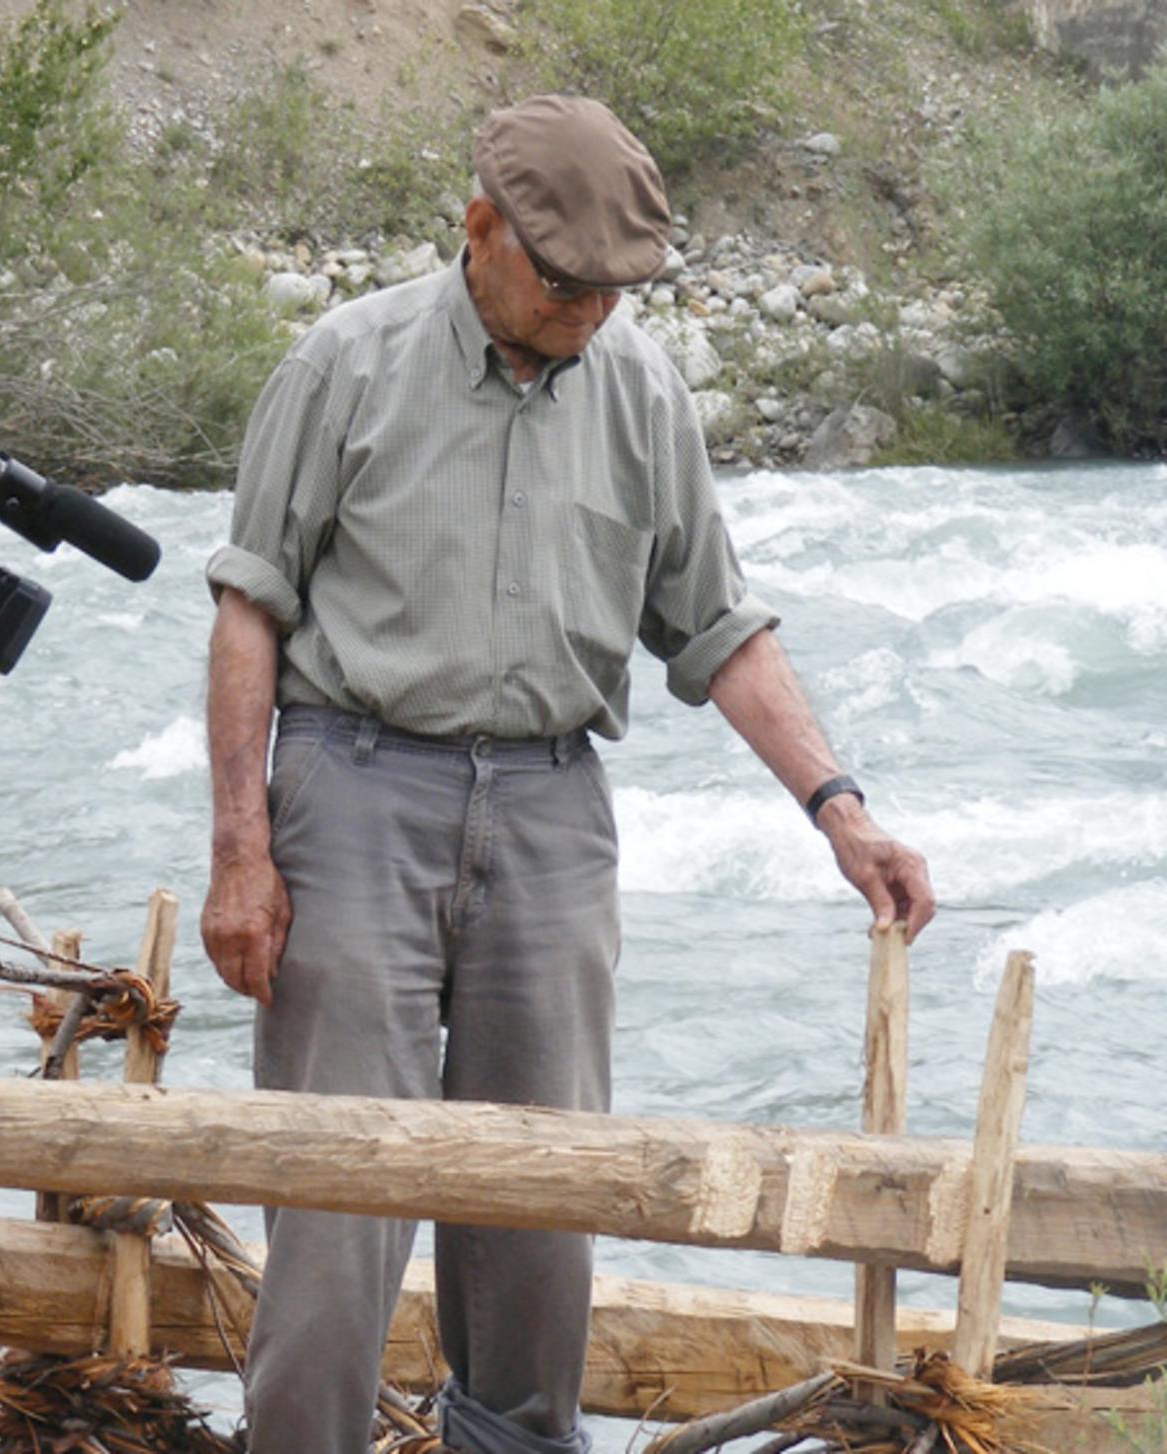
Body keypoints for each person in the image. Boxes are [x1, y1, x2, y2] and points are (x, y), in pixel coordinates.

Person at [200, 95, 935, 1454]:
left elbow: (720, 628)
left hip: (551, 804)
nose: (592, 310)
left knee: (546, 1191)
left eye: (615, 288)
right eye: (566, 282)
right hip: (355, 786)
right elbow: (248, 609)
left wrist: (841, 809)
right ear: (479, 230)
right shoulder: (343, 365)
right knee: (337, 1182)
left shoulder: (641, 389)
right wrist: (241, 851)